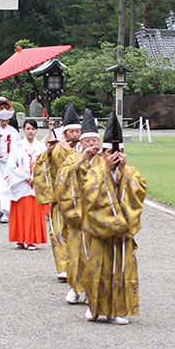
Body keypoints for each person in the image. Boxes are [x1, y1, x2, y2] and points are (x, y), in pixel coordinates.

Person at [80, 112, 147, 325]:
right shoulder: (95, 173)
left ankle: (120, 309)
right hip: (101, 231)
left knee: (122, 268)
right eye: (109, 152)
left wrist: (123, 172)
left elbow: (139, 192)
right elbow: (88, 194)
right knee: (97, 267)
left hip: (122, 233)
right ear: (102, 153)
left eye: (118, 153)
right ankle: (96, 308)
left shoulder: (131, 173)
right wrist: (106, 173)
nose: (114, 157)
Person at [57, 109, 102, 305]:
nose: (91, 145)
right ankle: (75, 287)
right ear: (81, 142)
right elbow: (61, 177)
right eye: (88, 141)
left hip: (100, 213)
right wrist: (82, 160)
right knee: (76, 252)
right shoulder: (74, 158)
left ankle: (95, 289)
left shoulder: (105, 160)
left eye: (94, 141)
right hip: (78, 211)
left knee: (97, 253)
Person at [33, 102, 81, 281]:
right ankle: (63, 267)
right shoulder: (58, 146)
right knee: (58, 231)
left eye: (77, 131)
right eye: (71, 132)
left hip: (80, 197)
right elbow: (41, 163)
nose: (75, 134)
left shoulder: (85, 147)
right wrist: (49, 150)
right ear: (65, 132)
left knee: (78, 231)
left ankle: (78, 264)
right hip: (61, 196)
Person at [6, 119, 48, 250]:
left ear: (36, 130)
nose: (30, 131)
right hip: (21, 182)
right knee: (20, 211)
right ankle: (20, 238)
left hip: (35, 183)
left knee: (33, 212)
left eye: (33, 129)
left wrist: (35, 177)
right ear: (23, 130)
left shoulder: (41, 147)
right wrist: (25, 177)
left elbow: (46, 165)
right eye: (28, 129)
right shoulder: (17, 146)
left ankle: (31, 239)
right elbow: (11, 165)